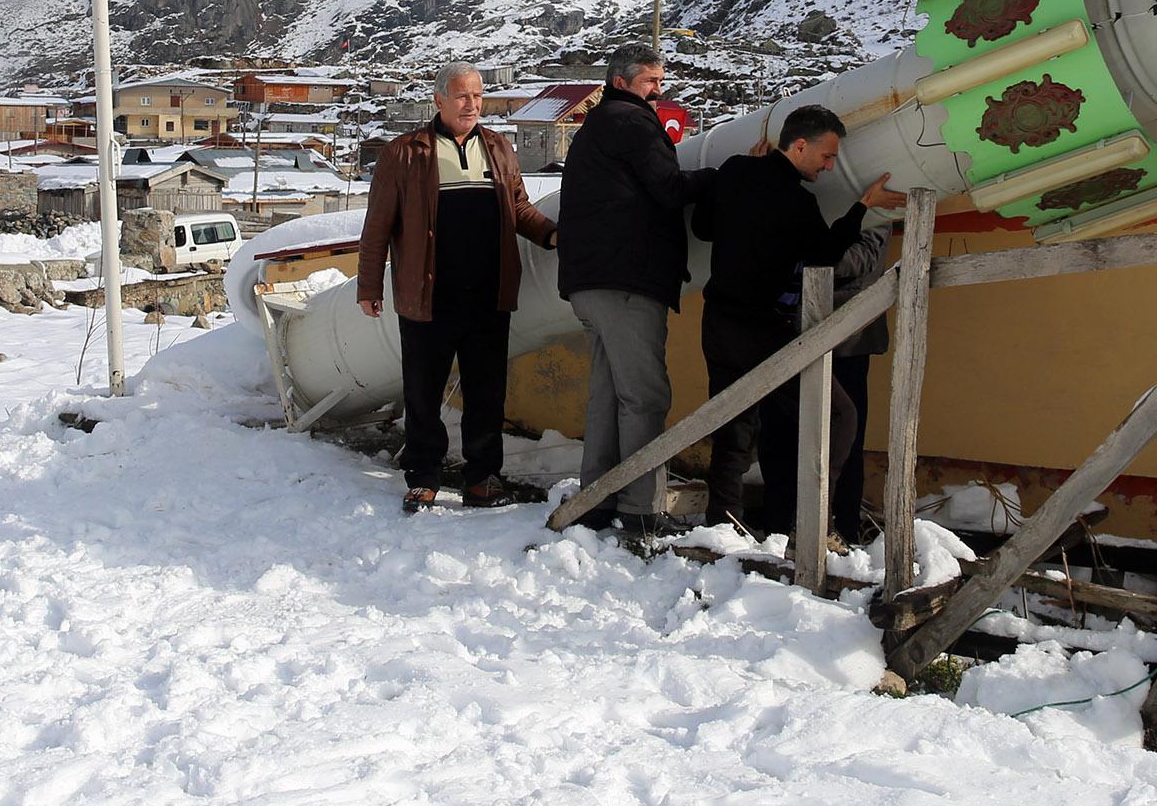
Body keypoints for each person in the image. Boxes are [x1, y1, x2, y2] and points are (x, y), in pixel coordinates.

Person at [693, 105, 904, 536]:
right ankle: (811, 526)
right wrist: (863, 205)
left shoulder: (735, 172)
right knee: (839, 416)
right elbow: (826, 255)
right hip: (762, 329)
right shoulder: (797, 201)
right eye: (826, 156)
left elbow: (702, 227)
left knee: (733, 428)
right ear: (800, 145)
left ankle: (722, 525)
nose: (829, 167)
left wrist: (742, 181)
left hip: (717, 322)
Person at [357, 64, 558, 509]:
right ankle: (424, 475)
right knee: (423, 391)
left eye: (478, 96)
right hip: (428, 295)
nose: (472, 105)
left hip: (488, 293)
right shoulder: (404, 153)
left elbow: (519, 207)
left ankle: (482, 478)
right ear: (439, 101)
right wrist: (369, 285)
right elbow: (377, 228)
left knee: (487, 390)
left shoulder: (499, 148)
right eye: (462, 96)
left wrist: (553, 234)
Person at [555, 39, 715, 542]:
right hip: (629, 280)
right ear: (622, 82)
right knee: (644, 396)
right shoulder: (632, 121)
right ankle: (641, 507)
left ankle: (596, 497)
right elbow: (668, 188)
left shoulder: (596, 127)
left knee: (608, 394)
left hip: (590, 281)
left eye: (660, 82)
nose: (657, 91)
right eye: (650, 82)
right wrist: (723, 176)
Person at [828, 220, 892, 548]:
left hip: (851, 339)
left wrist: (806, 251)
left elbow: (863, 257)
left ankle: (844, 529)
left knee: (847, 438)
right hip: (804, 328)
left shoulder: (874, 206)